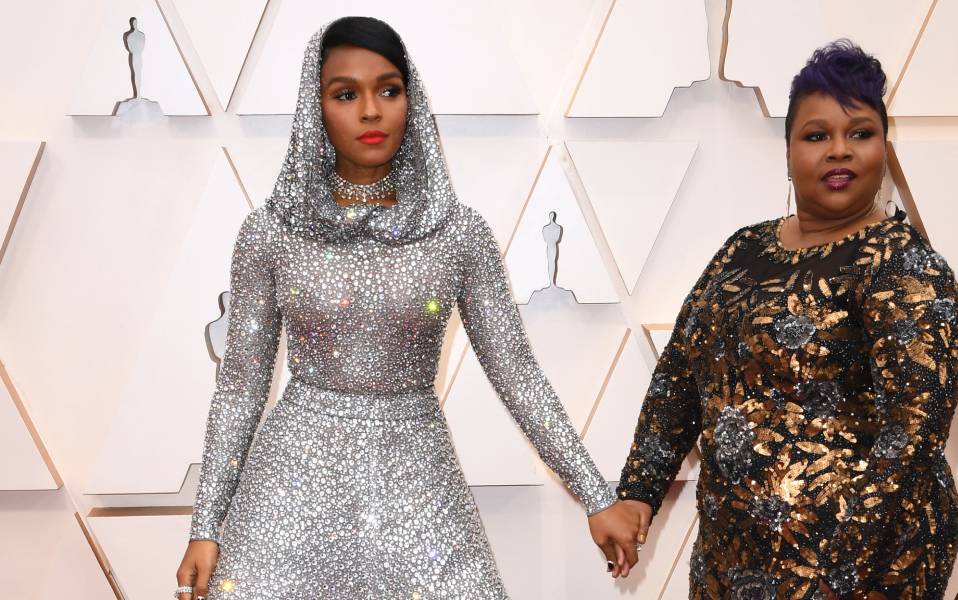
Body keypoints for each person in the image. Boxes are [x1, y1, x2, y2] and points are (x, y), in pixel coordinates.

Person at [173, 16, 638, 600]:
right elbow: (241, 386)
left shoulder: (458, 234)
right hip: (290, 484)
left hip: (416, 477)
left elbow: (517, 375)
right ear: (315, 109)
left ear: (410, 99)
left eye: (388, 90)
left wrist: (596, 495)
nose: (371, 111)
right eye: (346, 94)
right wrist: (206, 525)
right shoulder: (271, 232)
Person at [593, 40, 958, 599]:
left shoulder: (904, 265)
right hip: (732, 564)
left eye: (860, 133)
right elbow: (680, 377)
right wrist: (637, 493)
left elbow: (910, 440)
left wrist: (826, 568)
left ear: (883, 147)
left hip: (858, 574)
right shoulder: (744, 250)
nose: (839, 151)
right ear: (788, 150)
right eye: (817, 136)